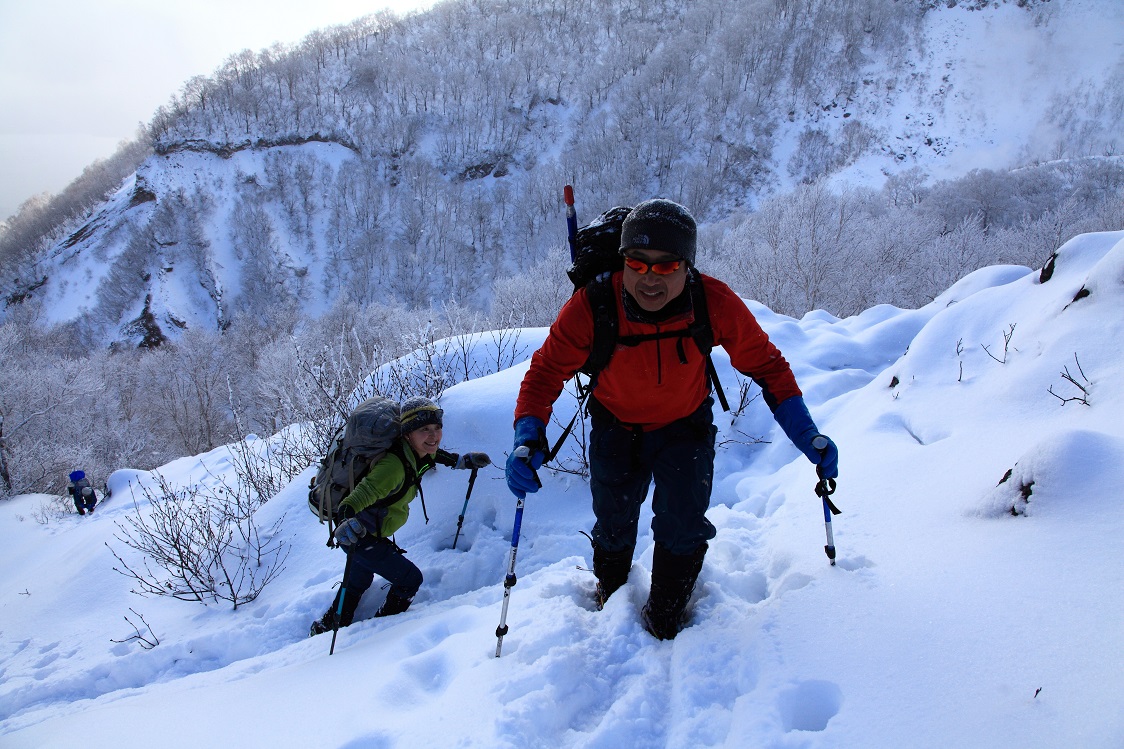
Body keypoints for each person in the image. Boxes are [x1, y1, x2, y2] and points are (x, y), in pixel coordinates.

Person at [505, 199, 839, 640]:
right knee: (613, 523)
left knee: (683, 525)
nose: (649, 277)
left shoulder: (712, 301)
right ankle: (612, 590)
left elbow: (767, 365)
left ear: (689, 267)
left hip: (685, 428)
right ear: (622, 261)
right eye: (636, 263)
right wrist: (528, 435)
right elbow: (545, 372)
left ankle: (664, 614)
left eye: (666, 267)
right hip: (616, 426)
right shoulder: (594, 304)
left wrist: (805, 432)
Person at [310, 396, 491, 636]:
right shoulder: (393, 468)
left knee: (357, 581)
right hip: (358, 535)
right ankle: (381, 631)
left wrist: (461, 462)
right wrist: (345, 521)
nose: (433, 436)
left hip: (365, 532)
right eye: (424, 429)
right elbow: (353, 501)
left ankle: (328, 626)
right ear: (407, 434)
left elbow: (434, 454)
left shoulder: (414, 452)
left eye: (437, 428)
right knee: (410, 580)